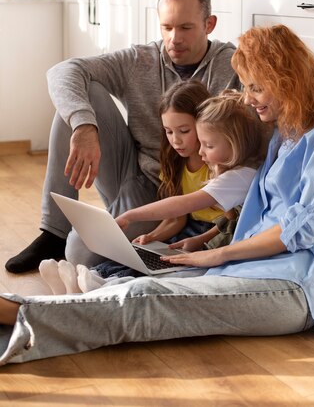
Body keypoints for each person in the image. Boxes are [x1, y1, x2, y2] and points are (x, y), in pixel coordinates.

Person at [0, 24, 314, 366]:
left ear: (286, 80)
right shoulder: (283, 128)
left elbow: (303, 232)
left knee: (145, 304)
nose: (247, 98)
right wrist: (211, 255)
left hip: (296, 288)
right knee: (138, 283)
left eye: (256, 87)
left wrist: (217, 253)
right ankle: (42, 309)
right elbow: (249, 111)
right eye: (247, 87)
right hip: (247, 269)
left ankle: (17, 316)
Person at [6, 0, 314, 274]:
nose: (174, 38)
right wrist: (84, 125)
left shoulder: (232, 64)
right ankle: (52, 230)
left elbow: (285, 81)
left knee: (82, 254)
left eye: (186, 28)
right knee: (74, 104)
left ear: (209, 25)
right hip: (142, 182)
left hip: (193, 193)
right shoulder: (138, 60)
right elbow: (63, 71)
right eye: (166, 27)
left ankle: (112, 255)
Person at [38, 87, 266, 294]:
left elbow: (188, 206)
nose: (176, 140)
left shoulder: (237, 176)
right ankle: (89, 279)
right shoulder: (199, 165)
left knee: (166, 272)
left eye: (207, 144)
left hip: (221, 246)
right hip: (199, 234)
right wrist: (156, 236)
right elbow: (208, 220)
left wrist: (131, 214)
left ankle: (100, 286)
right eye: (168, 131)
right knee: (143, 257)